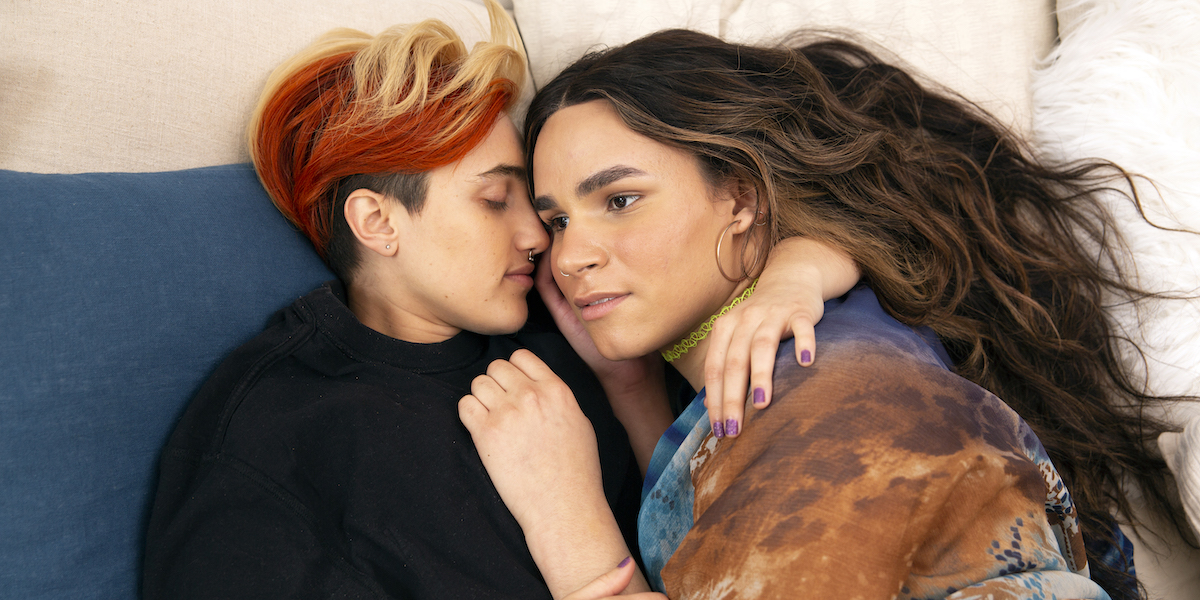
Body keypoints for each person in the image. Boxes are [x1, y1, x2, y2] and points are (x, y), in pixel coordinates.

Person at [140, 5, 854, 598]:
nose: (540, 236)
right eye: (494, 200)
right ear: (377, 222)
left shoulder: (574, 316)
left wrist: (636, 386)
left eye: (537, 205)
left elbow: (862, 212)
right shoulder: (273, 437)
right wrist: (567, 518)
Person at [460, 29, 1194, 600]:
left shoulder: (833, 400)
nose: (570, 257)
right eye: (555, 222)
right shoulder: (834, 330)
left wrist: (568, 523)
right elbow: (722, 509)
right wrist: (632, 390)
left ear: (742, 198)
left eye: (620, 201)